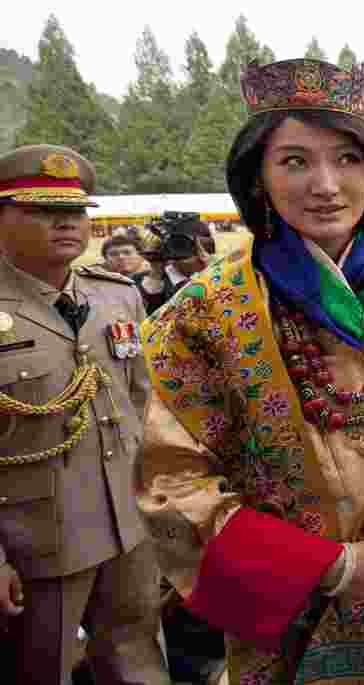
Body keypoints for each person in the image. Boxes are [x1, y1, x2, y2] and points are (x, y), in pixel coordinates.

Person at [133, 57, 364, 684]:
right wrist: (327, 567)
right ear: (257, 176)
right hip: (294, 608)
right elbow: (173, 485)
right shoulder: (202, 313)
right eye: (294, 161)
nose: (326, 184)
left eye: (347, 159)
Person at [0, 144, 169, 684]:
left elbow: (146, 405)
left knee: (138, 659)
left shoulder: (115, 297)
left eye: (74, 212)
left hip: (128, 525)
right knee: (40, 668)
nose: (66, 225)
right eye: (43, 212)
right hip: (36, 540)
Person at [136, 215, 216, 314]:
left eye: (185, 243)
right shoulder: (140, 280)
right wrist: (156, 273)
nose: (179, 248)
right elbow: (145, 317)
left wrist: (212, 271)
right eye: (175, 243)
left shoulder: (218, 275)